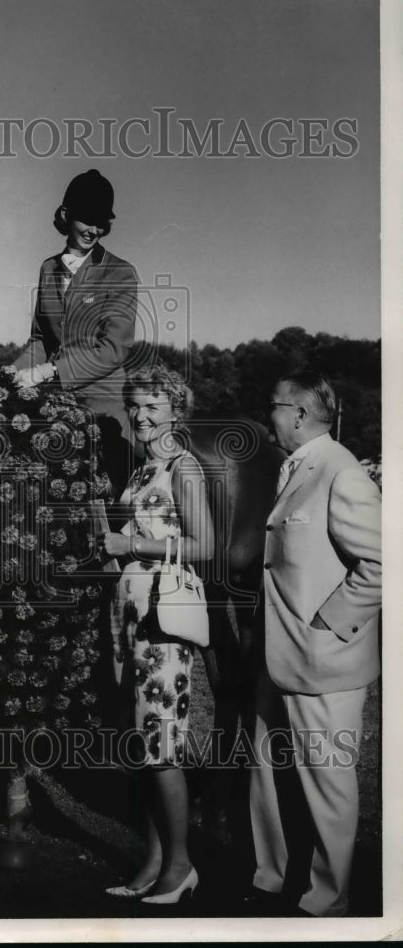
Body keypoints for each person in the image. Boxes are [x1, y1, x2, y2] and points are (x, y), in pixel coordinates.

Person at [248, 371, 381, 917]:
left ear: (298, 414)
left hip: (323, 660)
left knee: (327, 783)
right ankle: (272, 879)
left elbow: (384, 562)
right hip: (278, 657)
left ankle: (328, 900)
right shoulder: (295, 467)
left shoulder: (341, 471)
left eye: (273, 407)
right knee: (268, 771)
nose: (267, 416)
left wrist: (328, 625)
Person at [99, 365, 214, 904]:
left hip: (165, 623)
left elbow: (204, 547)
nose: (140, 416)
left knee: (162, 745)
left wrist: (132, 547)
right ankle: (152, 861)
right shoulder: (145, 469)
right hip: (132, 618)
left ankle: (182, 864)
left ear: (175, 411)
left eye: (153, 406)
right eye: (135, 406)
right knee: (143, 745)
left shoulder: (183, 468)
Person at [12, 168, 139, 495]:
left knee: (115, 491)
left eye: (101, 223)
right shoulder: (48, 268)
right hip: (54, 401)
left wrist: (49, 371)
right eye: (87, 219)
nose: (94, 230)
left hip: (104, 406)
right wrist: (11, 373)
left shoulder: (121, 272)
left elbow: (114, 349)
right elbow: (40, 339)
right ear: (66, 215)